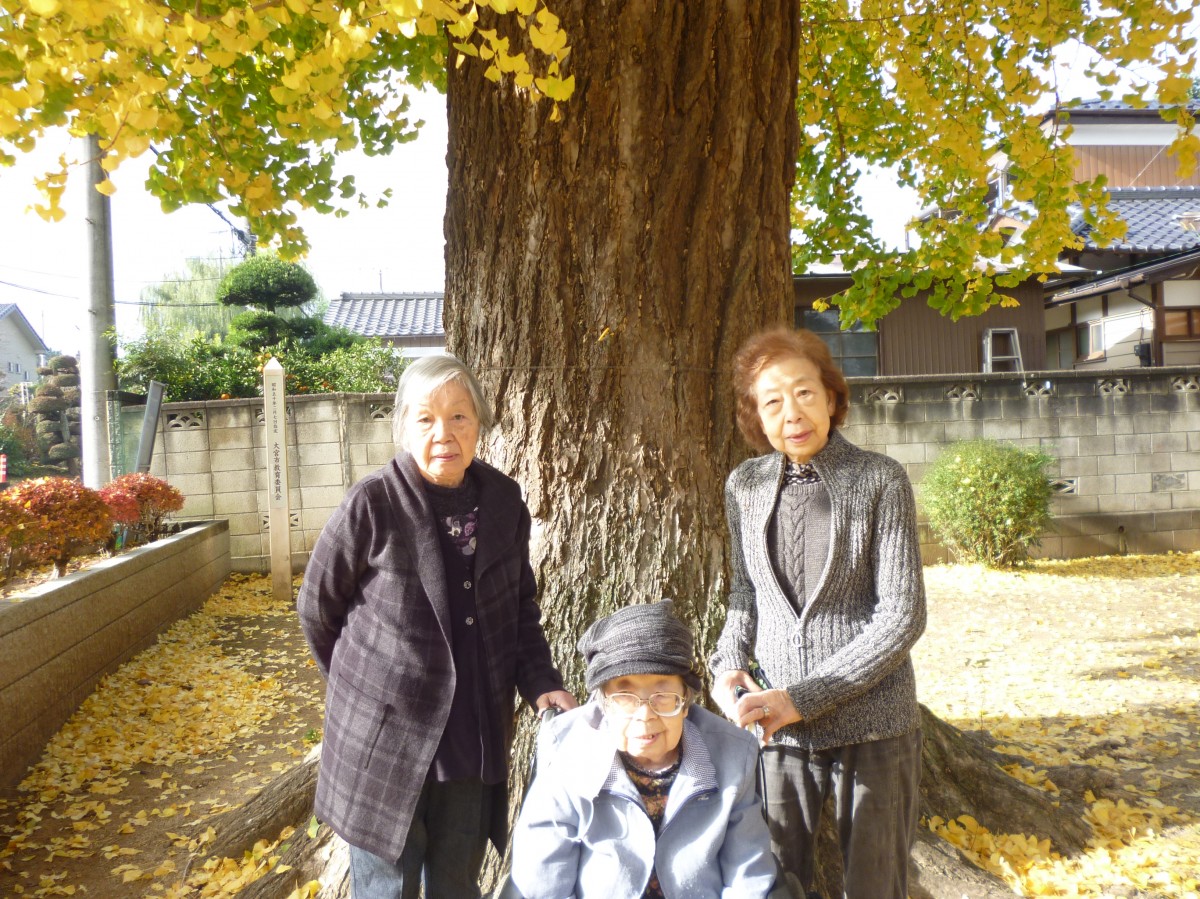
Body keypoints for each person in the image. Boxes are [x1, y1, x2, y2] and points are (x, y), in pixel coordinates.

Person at [296, 353, 577, 899]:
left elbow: (519, 608)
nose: (443, 433)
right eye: (425, 418)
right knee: (387, 890)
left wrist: (542, 682)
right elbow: (316, 609)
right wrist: (362, 693)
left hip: (471, 739)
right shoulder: (373, 502)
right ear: (403, 427)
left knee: (457, 885)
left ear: (479, 424)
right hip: (385, 746)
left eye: (458, 416)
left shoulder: (503, 501)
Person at [709, 327, 926, 899]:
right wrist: (727, 664)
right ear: (757, 417)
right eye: (772, 402)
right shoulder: (745, 485)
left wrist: (802, 698)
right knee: (772, 881)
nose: (792, 413)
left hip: (875, 722)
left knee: (877, 885)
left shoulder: (880, 479)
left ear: (831, 397)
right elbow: (745, 594)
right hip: (777, 732)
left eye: (804, 392)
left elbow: (902, 615)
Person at [508, 600, 782, 899]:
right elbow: (543, 882)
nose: (645, 715)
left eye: (662, 696)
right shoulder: (567, 750)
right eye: (624, 697)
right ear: (603, 704)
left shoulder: (732, 755)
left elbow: (748, 877)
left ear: (685, 703)